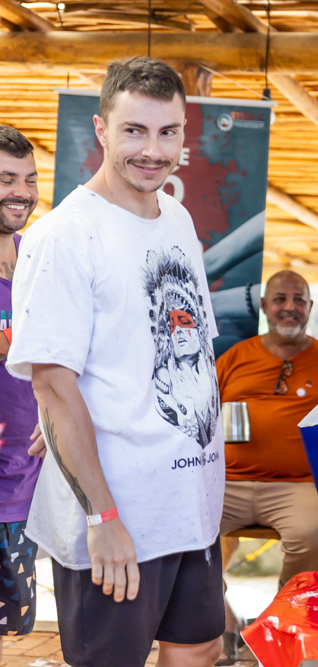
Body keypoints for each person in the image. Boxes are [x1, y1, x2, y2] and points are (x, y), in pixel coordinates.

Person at [6, 58, 224, 667]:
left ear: (183, 134)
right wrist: (102, 516)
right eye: (134, 131)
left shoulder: (177, 217)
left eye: (167, 132)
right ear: (101, 129)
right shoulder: (64, 236)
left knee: (200, 649)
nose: (152, 151)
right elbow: (53, 387)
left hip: (190, 503)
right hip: (115, 514)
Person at [215, 269, 318, 664]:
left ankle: (279, 624)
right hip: (227, 483)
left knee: (314, 532)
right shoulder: (235, 357)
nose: (289, 307)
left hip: (298, 486)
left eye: (298, 299)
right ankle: (221, 620)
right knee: (185, 530)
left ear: (310, 307)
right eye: (280, 299)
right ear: (265, 305)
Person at [0, 125, 41, 662]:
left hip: (24, 481)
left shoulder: (35, 256)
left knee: (8, 630)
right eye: (6, 178)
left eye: (29, 180)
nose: (22, 192)